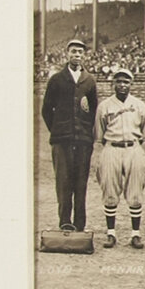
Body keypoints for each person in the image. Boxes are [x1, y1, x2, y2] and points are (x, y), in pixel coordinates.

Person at [41, 39, 98, 236]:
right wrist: (58, 130)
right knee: (63, 182)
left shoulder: (89, 80)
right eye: (73, 51)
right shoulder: (57, 79)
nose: (77, 55)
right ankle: (65, 222)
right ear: (67, 54)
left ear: (84, 55)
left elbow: (93, 111)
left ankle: (80, 223)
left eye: (80, 52)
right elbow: (46, 110)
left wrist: (84, 132)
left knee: (80, 182)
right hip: (62, 140)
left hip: (82, 141)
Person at [91, 67, 145, 249]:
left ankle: (135, 235)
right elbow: (99, 135)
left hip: (133, 147)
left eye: (126, 81)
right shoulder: (104, 106)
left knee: (135, 193)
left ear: (131, 84)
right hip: (112, 148)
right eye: (119, 81)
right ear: (113, 84)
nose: (122, 85)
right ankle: (111, 234)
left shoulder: (139, 105)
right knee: (109, 190)